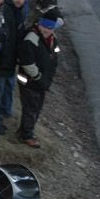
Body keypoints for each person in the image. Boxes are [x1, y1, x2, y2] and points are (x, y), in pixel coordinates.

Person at [0, 0, 28, 130]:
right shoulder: (6, 11)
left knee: (3, 90)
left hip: (10, 59)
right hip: (3, 58)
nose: (18, 0)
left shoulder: (18, 12)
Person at [16, 17, 59, 148]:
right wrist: (38, 78)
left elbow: (55, 56)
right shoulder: (31, 39)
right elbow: (27, 63)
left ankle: (25, 131)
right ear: (39, 25)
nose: (46, 30)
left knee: (37, 108)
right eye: (44, 27)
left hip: (42, 81)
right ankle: (26, 136)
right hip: (30, 81)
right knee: (31, 108)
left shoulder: (52, 38)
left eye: (50, 28)